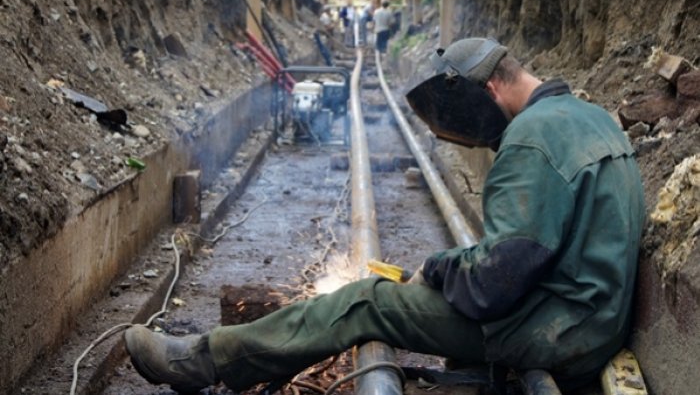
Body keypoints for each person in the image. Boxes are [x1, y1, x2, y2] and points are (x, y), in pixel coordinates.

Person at [123, 37, 645, 393]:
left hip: (557, 333)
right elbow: (540, 247)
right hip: (594, 321)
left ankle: (204, 362)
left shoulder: (531, 141)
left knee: (364, 301)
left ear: (489, 91)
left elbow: (494, 284)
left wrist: (440, 269)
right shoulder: (589, 118)